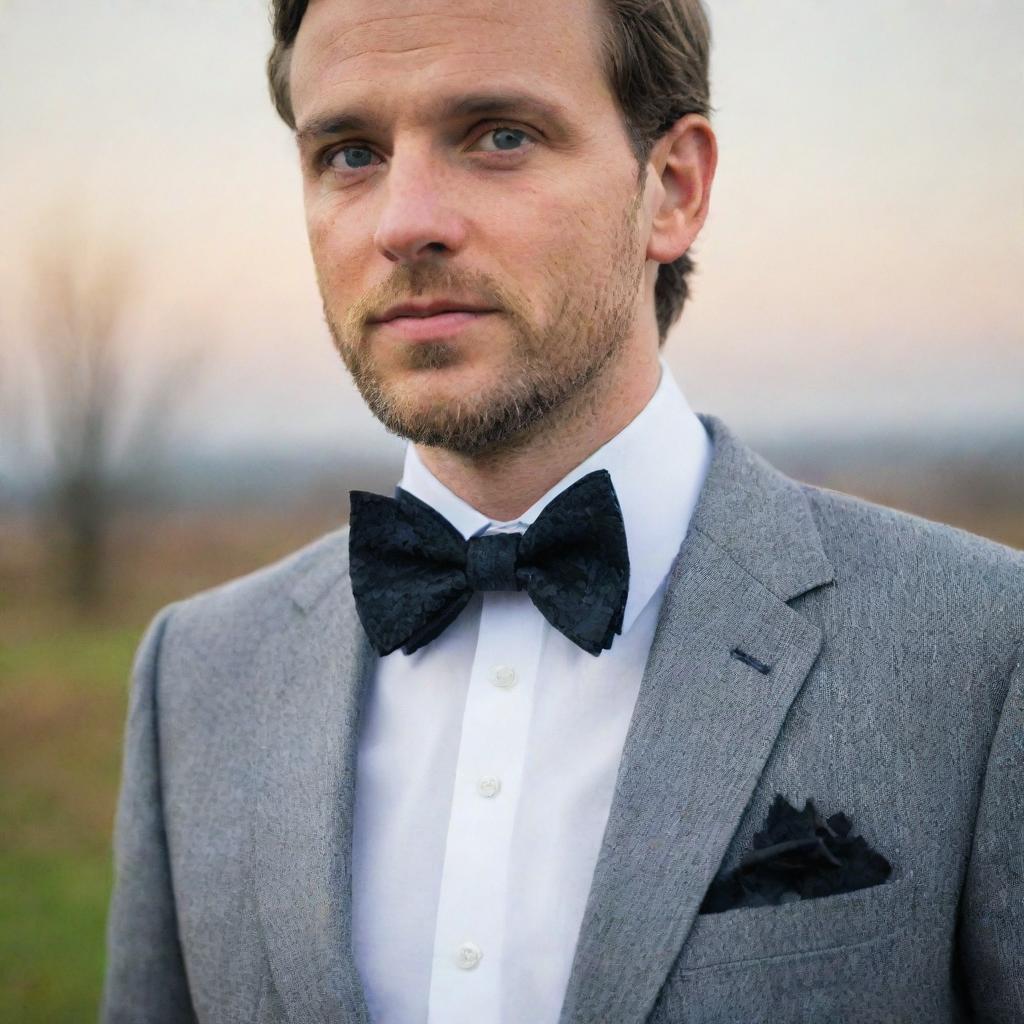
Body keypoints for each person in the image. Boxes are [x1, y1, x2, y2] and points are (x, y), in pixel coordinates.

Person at [101, 0, 1024, 1021]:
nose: (404, 220)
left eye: (499, 136)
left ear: (671, 189)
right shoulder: (196, 673)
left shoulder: (985, 653)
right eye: (350, 153)